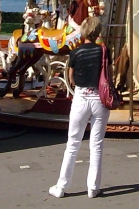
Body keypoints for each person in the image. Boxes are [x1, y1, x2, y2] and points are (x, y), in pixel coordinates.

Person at [49, 17, 110, 198]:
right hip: (99, 99)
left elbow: (71, 78)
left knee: (73, 143)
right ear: (98, 31)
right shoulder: (104, 51)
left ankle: (61, 186)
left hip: (82, 98)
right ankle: (93, 187)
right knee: (96, 145)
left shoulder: (75, 53)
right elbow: (109, 75)